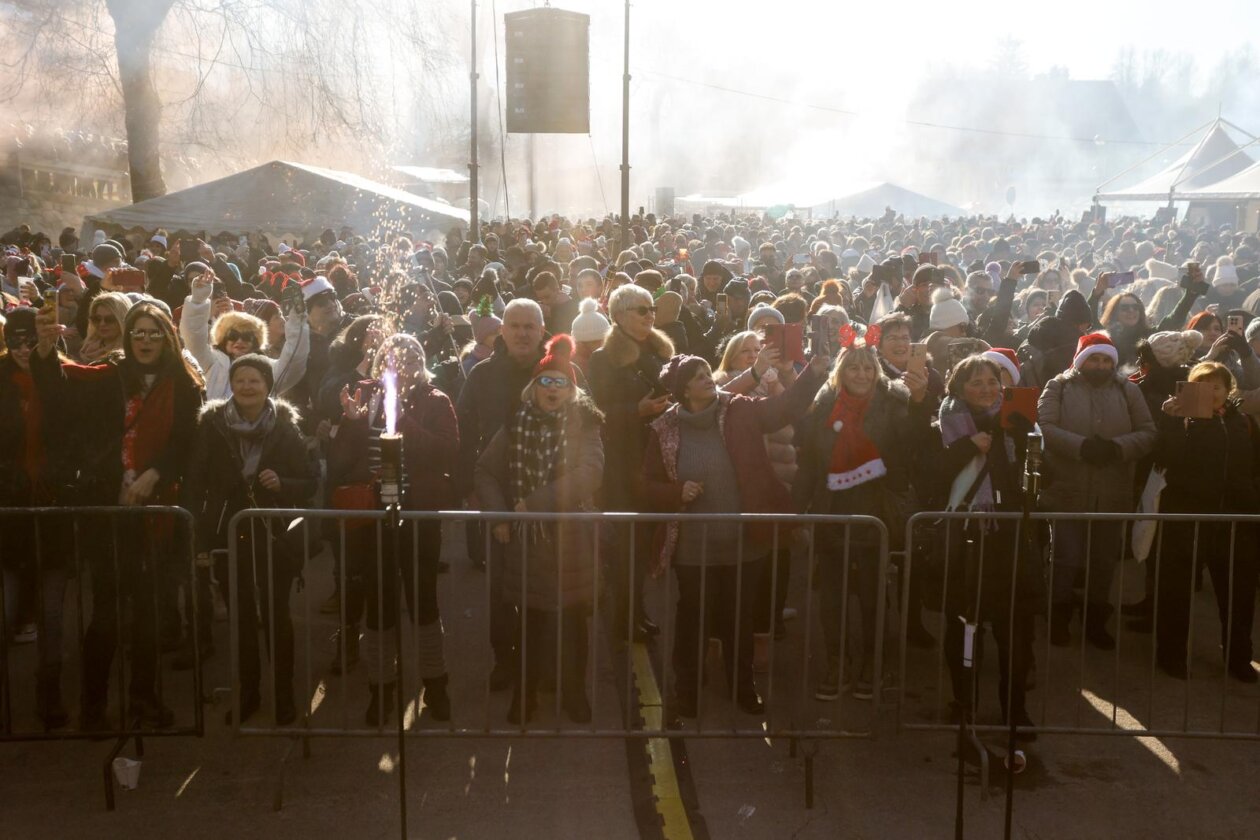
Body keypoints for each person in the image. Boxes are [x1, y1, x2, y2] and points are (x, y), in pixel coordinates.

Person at [32, 301, 205, 729]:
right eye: (138, 333)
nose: (145, 340)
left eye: (153, 333)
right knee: (106, 614)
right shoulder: (109, 376)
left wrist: (153, 475)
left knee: (148, 614)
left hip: (158, 510)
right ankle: (94, 707)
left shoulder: (183, 383)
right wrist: (43, 348)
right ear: (129, 338)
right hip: (109, 509)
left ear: (167, 336)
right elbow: (59, 389)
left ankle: (143, 699)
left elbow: (186, 441)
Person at [642, 350, 828, 717]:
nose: (706, 379)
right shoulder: (664, 428)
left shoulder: (739, 409)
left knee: (739, 618)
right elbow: (645, 483)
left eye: (706, 372)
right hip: (694, 549)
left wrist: (813, 373)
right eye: (696, 377)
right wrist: (675, 492)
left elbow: (784, 408)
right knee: (693, 618)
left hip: (744, 544)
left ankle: (743, 688)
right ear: (683, 390)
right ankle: (687, 691)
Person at [474, 335, 605, 724]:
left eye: (560, 382)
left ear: (571, 390)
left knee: (573, 623)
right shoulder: (516, 424)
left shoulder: (586, 425)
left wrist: (536, 503)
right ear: (534, 388)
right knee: (530, 624)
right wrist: (500, 516)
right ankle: (525, 696)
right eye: (545, 382)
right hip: (527, 544)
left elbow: (591, 473)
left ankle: (574, 693)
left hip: (571, 539)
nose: (552, 388)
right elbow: (485, 470)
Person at [328, 333, 456, 724]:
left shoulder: (436, 400)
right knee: (379, 607)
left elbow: (445, 451)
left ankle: (436, 687)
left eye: (410, 359)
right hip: (373, 520)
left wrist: (402, 416)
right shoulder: (362, 397)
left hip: (417, 518)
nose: (401, 366)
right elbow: (339, 461)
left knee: (424, 603)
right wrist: (348, 425)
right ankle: (381, 689)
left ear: (421, 363)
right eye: (392, 359)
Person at [183, 354, 317, 723]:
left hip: (274, 535)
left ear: (267, 385)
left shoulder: (286, 427)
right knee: (241, 619)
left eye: (254, 380)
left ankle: (285, 695)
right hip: (228, 532)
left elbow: (310, 482)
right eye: (240, 379)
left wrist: (282, 483)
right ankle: (249, 695)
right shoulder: (211, 424)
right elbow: (195, 482)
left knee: (277, 616)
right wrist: (200, 539)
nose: (246, 387)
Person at [794, 339, 930, 700]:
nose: (862, 374)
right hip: (832, 511)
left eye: (868, 367)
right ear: (841, 372)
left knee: (874, 594)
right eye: (853, 367)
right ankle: (838, 662)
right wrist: (796, 510)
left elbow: (913, 446)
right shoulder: (822, 406)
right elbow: (809, 463)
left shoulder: (894, 404)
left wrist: (919, 402)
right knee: (833, 597)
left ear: (877, 371)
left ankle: (873, 662)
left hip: (877, 512)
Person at [933, 355, 1039, 737]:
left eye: (992, 381)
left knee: (1015, 632)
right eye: (975, 382)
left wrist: (1026, 439)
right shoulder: (946, 423)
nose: (986, 388)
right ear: (959, 388)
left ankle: (1015, 710)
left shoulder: (1017, 422)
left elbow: (1036, 480)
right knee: (963, 627)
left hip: (1009, 541)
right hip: (966, 542)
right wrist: (967, 447)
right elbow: (932, 477)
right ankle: (965, 704)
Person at [1038, 333, 1156, 649]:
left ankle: (1095, 620)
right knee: (1067, 558)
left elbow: (1147, 433)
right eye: (1094, 358)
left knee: (1104, 561)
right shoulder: (1058, 387)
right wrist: (1082, 447)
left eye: (1106, 360)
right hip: (1067, 488)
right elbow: (1044, 427)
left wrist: (1117, 449)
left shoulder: (1128, 390)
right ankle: (1057, 615)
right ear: (1080, 360)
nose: (1100, 365)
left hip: (1112, 490)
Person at [457, 298, 551, 685]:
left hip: (548, 495)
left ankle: (542, 661)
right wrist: (470, 488)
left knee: (547, 583)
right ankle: (506, 660)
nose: (523, 332)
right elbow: (463, 432)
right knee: (501, 586)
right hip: (497, 491)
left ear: (542, 331)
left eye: (530, 326)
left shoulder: (562, 371)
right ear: (503, 331)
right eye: (515, 325)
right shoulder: (481, 375)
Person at [1153, 362, 1259, 682]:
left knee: (1238, 593)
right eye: (1202, 386)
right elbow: (1164, 460)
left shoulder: (1245, 424)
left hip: (1235, 521)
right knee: (1176, 589)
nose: (1211, 393)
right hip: (1189, 517)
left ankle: (1238, 657)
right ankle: (1170, 655)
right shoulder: (1183, 423)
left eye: (1217, 386)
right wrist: (1171, 422)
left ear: (1229, 390)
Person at [587, 284, 674, 644]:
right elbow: (597, 413)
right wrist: (635, 411)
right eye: (641, 309)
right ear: (619, 316)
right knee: (626, 548)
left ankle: (636, 610)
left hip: (656, 460)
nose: (649, 314)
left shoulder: (659, 351)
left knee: (643, 544)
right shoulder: (602, 358)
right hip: (623, 464)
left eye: (652, 307)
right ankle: (624, 617)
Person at [0, 308, 74, 728]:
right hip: (8, 514)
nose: (25, 348)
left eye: (33, 339)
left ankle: (50, 694)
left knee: (51, 613)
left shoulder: (63, 376)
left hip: (53, 511)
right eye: (17, 339)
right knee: (6, 609)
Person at [180, 269, 309, 401]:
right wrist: (198, 300)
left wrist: (297, 319)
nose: (239, 341)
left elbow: (294, 363)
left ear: (256, 341)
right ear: (223, 338)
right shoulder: (211, 361)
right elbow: (192, 337)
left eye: (247, 336)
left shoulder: (266, 368)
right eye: (233, 335)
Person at [76, 291, 130, 364]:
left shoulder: (131, 351)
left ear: (122, 320)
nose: (102, 324)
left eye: (110, 319)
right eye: (97, 319)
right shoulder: (86, 348)